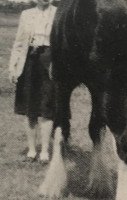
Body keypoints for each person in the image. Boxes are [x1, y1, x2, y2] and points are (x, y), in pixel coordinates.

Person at [8, 0, 57, 163]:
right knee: (30, 108)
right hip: (29, 61)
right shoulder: (26, 15)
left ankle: (44, 151)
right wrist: (13, 67)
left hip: (49, 62)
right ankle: (31, 150)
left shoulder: (58, 14)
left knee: (46, 107)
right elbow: (19, 43)